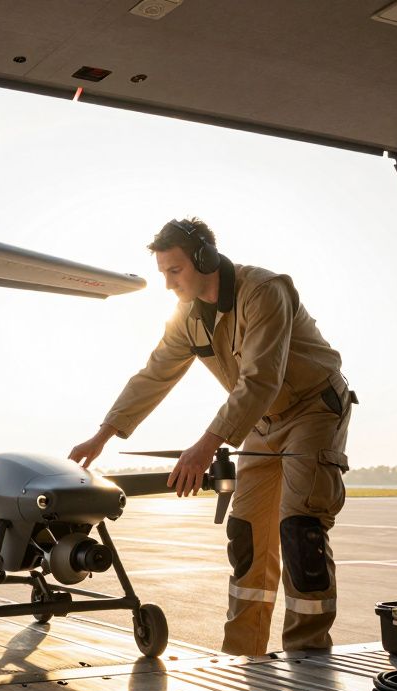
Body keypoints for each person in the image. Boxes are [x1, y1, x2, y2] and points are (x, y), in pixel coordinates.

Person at [68, 217, 355, 655]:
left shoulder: (265, 292)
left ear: (205, 258)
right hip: (262, 421)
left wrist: (205, 447)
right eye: (163, 272)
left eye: (174, 270)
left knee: (300, 528)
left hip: (313, 409)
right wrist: (102, 435)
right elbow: (154, 375)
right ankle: (243, 654)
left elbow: (261, 380)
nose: (167, 283)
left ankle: (308, 654)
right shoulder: (187, 318)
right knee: (247, 534)